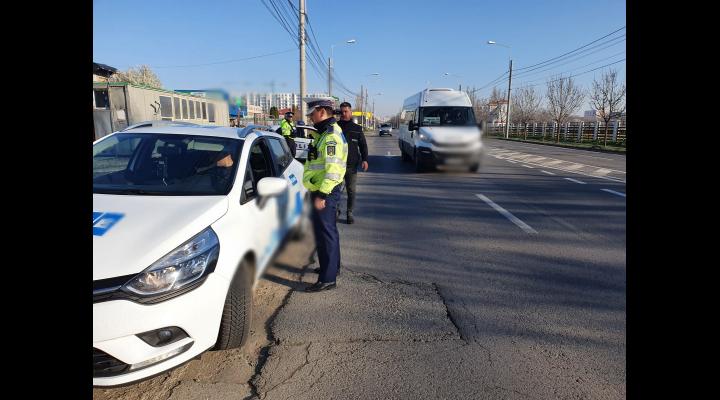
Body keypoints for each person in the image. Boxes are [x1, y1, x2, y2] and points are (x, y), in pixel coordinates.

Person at [302, 98, 348, 292]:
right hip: (323, 189)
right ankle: (332, 267)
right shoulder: (326, 134)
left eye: (312, 113)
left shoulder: (330, 137)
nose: (311, 118)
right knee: (329, 231)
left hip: (325, 191)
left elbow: (333, 170)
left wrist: (321, 195)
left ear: (321, 112)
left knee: (325, 233)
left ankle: (328, 278)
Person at [336, 102, 368, 224]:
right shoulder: (335, 127)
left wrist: (365, 159)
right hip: (337, 166)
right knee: (336, 190)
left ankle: (349, 212)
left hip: (351, 166)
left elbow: (363, 145)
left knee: (351, 190)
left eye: (346, 111)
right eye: (342, 111)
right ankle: (336, 210)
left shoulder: (357, 129)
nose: (344, 114)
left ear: (350, 112)